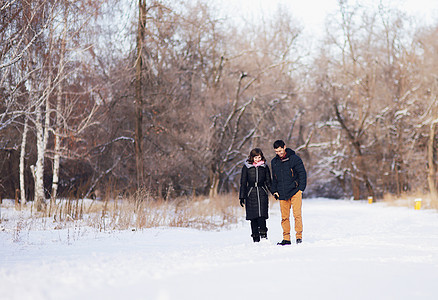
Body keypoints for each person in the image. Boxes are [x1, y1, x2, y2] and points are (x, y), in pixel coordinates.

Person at [271, 140, 307, 245]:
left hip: (295, 191)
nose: (279, 153)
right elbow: (274, 178)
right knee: (284, 217)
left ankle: (299, 237)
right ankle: (286, 238)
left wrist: (301, 189)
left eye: (280, 150)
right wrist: (274, 191)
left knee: (297, 215)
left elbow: (302, 174)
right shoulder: (274, 162)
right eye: (277, 151)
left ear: (284, 147)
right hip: (282, 193)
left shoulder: (294, 159)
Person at [239, 148, 272, 242]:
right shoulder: (247, 167)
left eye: (259, 157)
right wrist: (242, 196)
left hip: (262, 192)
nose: (257, 159)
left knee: (262, 216)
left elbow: (268, 182)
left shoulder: (264, 167)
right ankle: (255, 238)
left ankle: (264, 236)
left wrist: (274, 192)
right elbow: (243, 182)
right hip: (250, 193)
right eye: (255, 157)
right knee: (253, 217)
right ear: (252, 157)